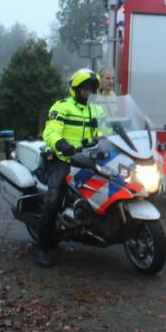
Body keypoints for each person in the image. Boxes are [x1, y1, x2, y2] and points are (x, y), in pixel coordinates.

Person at [34, 68, 102, 268]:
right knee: (53, 200)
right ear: (75, 88)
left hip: (88, 159)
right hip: (63, 158)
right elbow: (51, 131)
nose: (87, 91)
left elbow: (108, 130)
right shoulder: (62, 106)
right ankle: (42, 249)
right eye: (83, 88)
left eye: (90, 88)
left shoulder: (97, 110)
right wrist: (61, 143)